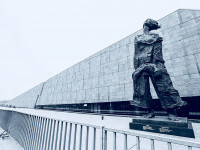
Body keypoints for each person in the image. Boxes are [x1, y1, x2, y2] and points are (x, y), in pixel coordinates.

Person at [131, 19, 187, 120]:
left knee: (163, 86)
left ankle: (171, 111)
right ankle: (149, 111)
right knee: (142, 90)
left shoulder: (156, 37)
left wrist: (157, 65)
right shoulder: (137, 37)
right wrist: (136, 68)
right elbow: (136, 54)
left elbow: (158, 53)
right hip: (140, 65)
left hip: (154, 62)